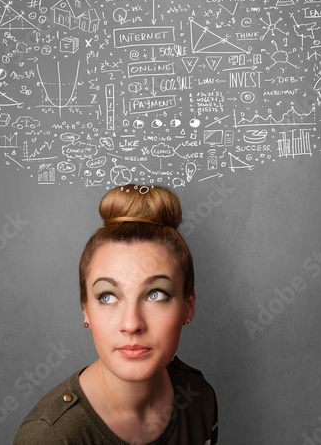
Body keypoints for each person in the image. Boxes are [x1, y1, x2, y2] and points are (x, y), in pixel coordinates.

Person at [13, 184, 218, 444]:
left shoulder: (199, 399)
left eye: (156, 294)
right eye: (107, 296)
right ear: (86, 309)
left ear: (189, 306)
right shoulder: (50, 437)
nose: (131, 324)